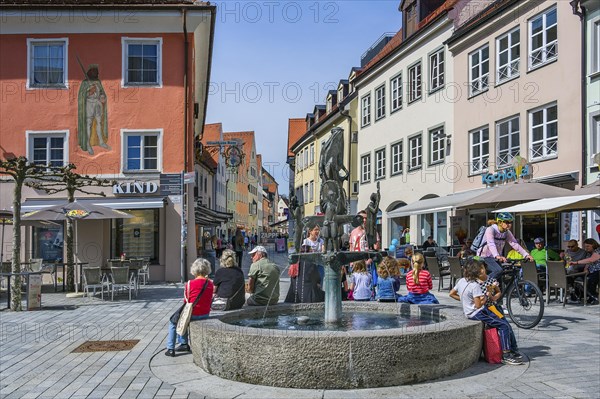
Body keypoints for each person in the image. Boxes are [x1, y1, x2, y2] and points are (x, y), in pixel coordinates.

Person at [450, 259, 523, 365]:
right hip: (478, 312)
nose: (483, 271)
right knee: (504, 325)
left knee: (504, 324)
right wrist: (487, 294)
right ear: (477, 272)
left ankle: (513, 350)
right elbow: (479, 304)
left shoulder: (462, 281)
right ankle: (506, 355)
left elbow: (452, 293)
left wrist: (466, 301)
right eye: (481, 269)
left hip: (475, 311)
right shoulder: (475, 286)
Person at [165, 258, 213, 357]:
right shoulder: (210, 284)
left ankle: (171, 348)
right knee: (183, 318)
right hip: (205, 313)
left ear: (194, 269)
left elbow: (186, 301)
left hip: (193, 314)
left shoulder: (189, 284)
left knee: (174, 321)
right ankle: (183, 344)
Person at [477, 212, 533, 281]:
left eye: (511, 222)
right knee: (498, 271)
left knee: (500, 277)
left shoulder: (507, 232)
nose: (509, 225)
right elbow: (491, 243)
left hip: (495, 257)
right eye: (507, 222)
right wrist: (497, 255)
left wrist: (526, 255)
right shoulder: (491, 229)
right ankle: (484, 284)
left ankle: (498, 290)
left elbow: (514, 244)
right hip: (485, 256)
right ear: (500, 222)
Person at [569, 238, 600, 305]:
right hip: (591, 271)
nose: (586, 248)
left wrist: (576, 262)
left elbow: (591, 260)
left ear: (593, 245)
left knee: (590, 279)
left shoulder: (598, 250)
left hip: (598, 271)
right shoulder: (589, 253)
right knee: (575, 277)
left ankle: (593, 298)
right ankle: (578, 296)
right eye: (585, 246)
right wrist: (585, 269)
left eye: (588, 246)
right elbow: (588, 263)